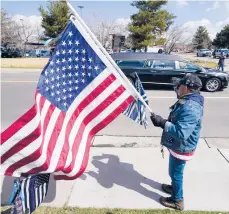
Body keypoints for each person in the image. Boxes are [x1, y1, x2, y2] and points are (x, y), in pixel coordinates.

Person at [150, 74, 204, 210]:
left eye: (179, 85)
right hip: (179, 146)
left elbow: (181, 133)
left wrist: (163, 123)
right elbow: (180, 102)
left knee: (175, 173)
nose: (177, 87)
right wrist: (177, 85)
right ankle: (174, 187)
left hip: (182, 147)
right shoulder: (189, 98)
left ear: (186, 88)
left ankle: (177, 200)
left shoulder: (191, 108)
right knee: (173, 172)